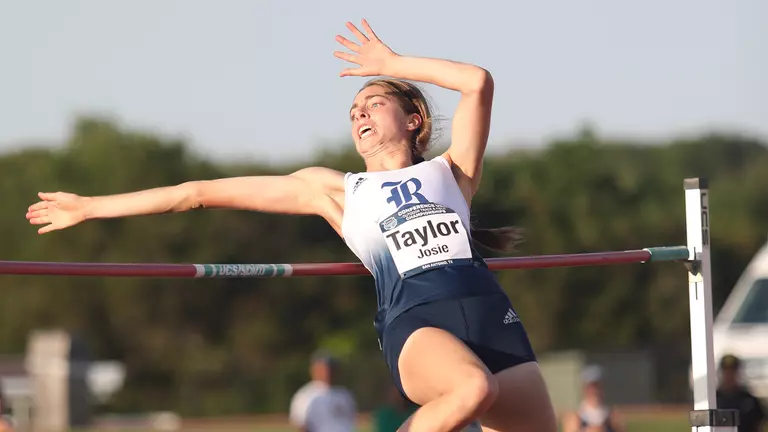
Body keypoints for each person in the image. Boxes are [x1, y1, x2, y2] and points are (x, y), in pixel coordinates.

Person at [25, 19, 557, 431]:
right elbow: (197, 194)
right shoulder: (335, 190)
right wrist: (90, 207)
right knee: (471, 390)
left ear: (413, 118)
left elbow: (477, 82)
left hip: (492, 316)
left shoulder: (454, 172)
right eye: (354, 111)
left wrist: (393, 63)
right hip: (419, 323)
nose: (360, 114)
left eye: (373, 103)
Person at [289, 351, 357, 432]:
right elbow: (301, 425)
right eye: (322, 368)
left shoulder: (344, 395)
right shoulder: (305, 396)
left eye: (330, 368)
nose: (327, 372)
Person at [562, 365, 625, 432]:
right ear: (584, 389)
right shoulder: (575, 419)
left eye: (597, 386)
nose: (595, 391)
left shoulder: (613, 417)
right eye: (591, 387)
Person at [716, 354, 766, 432]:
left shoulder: (750, 400)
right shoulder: (713, 399)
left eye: (732, 371)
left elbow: (760, 424)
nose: (729, 375)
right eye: (726, 371)